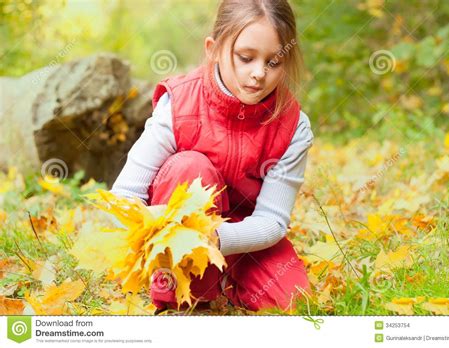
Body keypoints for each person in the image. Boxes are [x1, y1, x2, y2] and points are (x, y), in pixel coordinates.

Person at [111, 0, 314, 313]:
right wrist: (167, 235)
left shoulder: (292, 125)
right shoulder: (179, 105)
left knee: (293, 301)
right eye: (245, 58)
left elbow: (272, 220)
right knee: (190, 166)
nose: (258, 73)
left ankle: (226, 278)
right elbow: (124, 197)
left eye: (274, 62)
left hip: (242, 238)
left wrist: (218, 238)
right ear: (214, 49)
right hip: (178, 231)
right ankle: (184, 293)